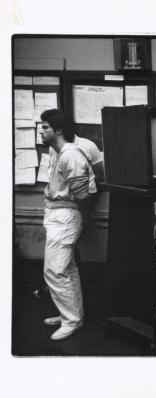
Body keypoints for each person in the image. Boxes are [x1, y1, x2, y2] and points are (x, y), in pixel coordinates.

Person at [39, 109, 96, 340]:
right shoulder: (60, 152)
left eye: (45, 127)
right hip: (58, 216)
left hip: (65, 217)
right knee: (66, 270)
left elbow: (83, 195)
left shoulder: (70, 154)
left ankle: (71, 321)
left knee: (55, 271)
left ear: (58, 130)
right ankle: (70, 316)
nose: (41, 131)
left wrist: (81, 218)